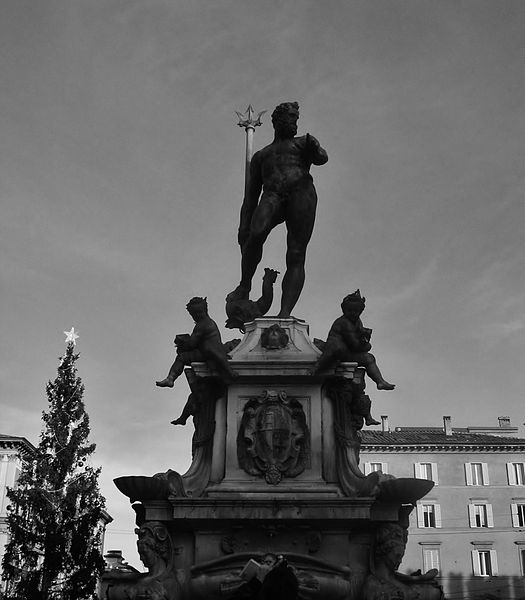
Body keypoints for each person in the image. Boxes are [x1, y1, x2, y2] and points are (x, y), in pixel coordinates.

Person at [233, 102, 328, 318]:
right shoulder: (261, 155)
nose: (294, 122)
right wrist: (243, 224)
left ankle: (284, 313)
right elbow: (250, 197)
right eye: (290, 117)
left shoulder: (304, 143)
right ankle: (244, 284)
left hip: (300, 191)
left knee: (296, 252)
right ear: (277, 121)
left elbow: (322, 158)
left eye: (296, 118)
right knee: (255, 235)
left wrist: (315, 149)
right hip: (272, 194)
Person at [315, 290, 395, 390]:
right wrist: (366, 344)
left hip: (347, 351)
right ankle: (317, 367)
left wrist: (365, 336)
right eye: (350, 310)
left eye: (356, 311)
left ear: (360, 311)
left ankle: (380, 382)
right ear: (344, 310)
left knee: (370, 358)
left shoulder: (357, 321)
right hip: (339, 352)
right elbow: (354, 345)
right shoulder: (344, 323)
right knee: (367, 357)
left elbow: (359, 335)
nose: (353, 313)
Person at [156, 297, 237, 387]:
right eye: (194, 314)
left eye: (198, 312)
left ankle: (170, 378)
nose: (196, 315)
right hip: (210, 352)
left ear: (205, 310)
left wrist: (181, 344)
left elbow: (192, 344)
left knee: (182, 358)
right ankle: (170, 379)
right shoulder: (207, 322)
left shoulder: (203, 324)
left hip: (209, 354)